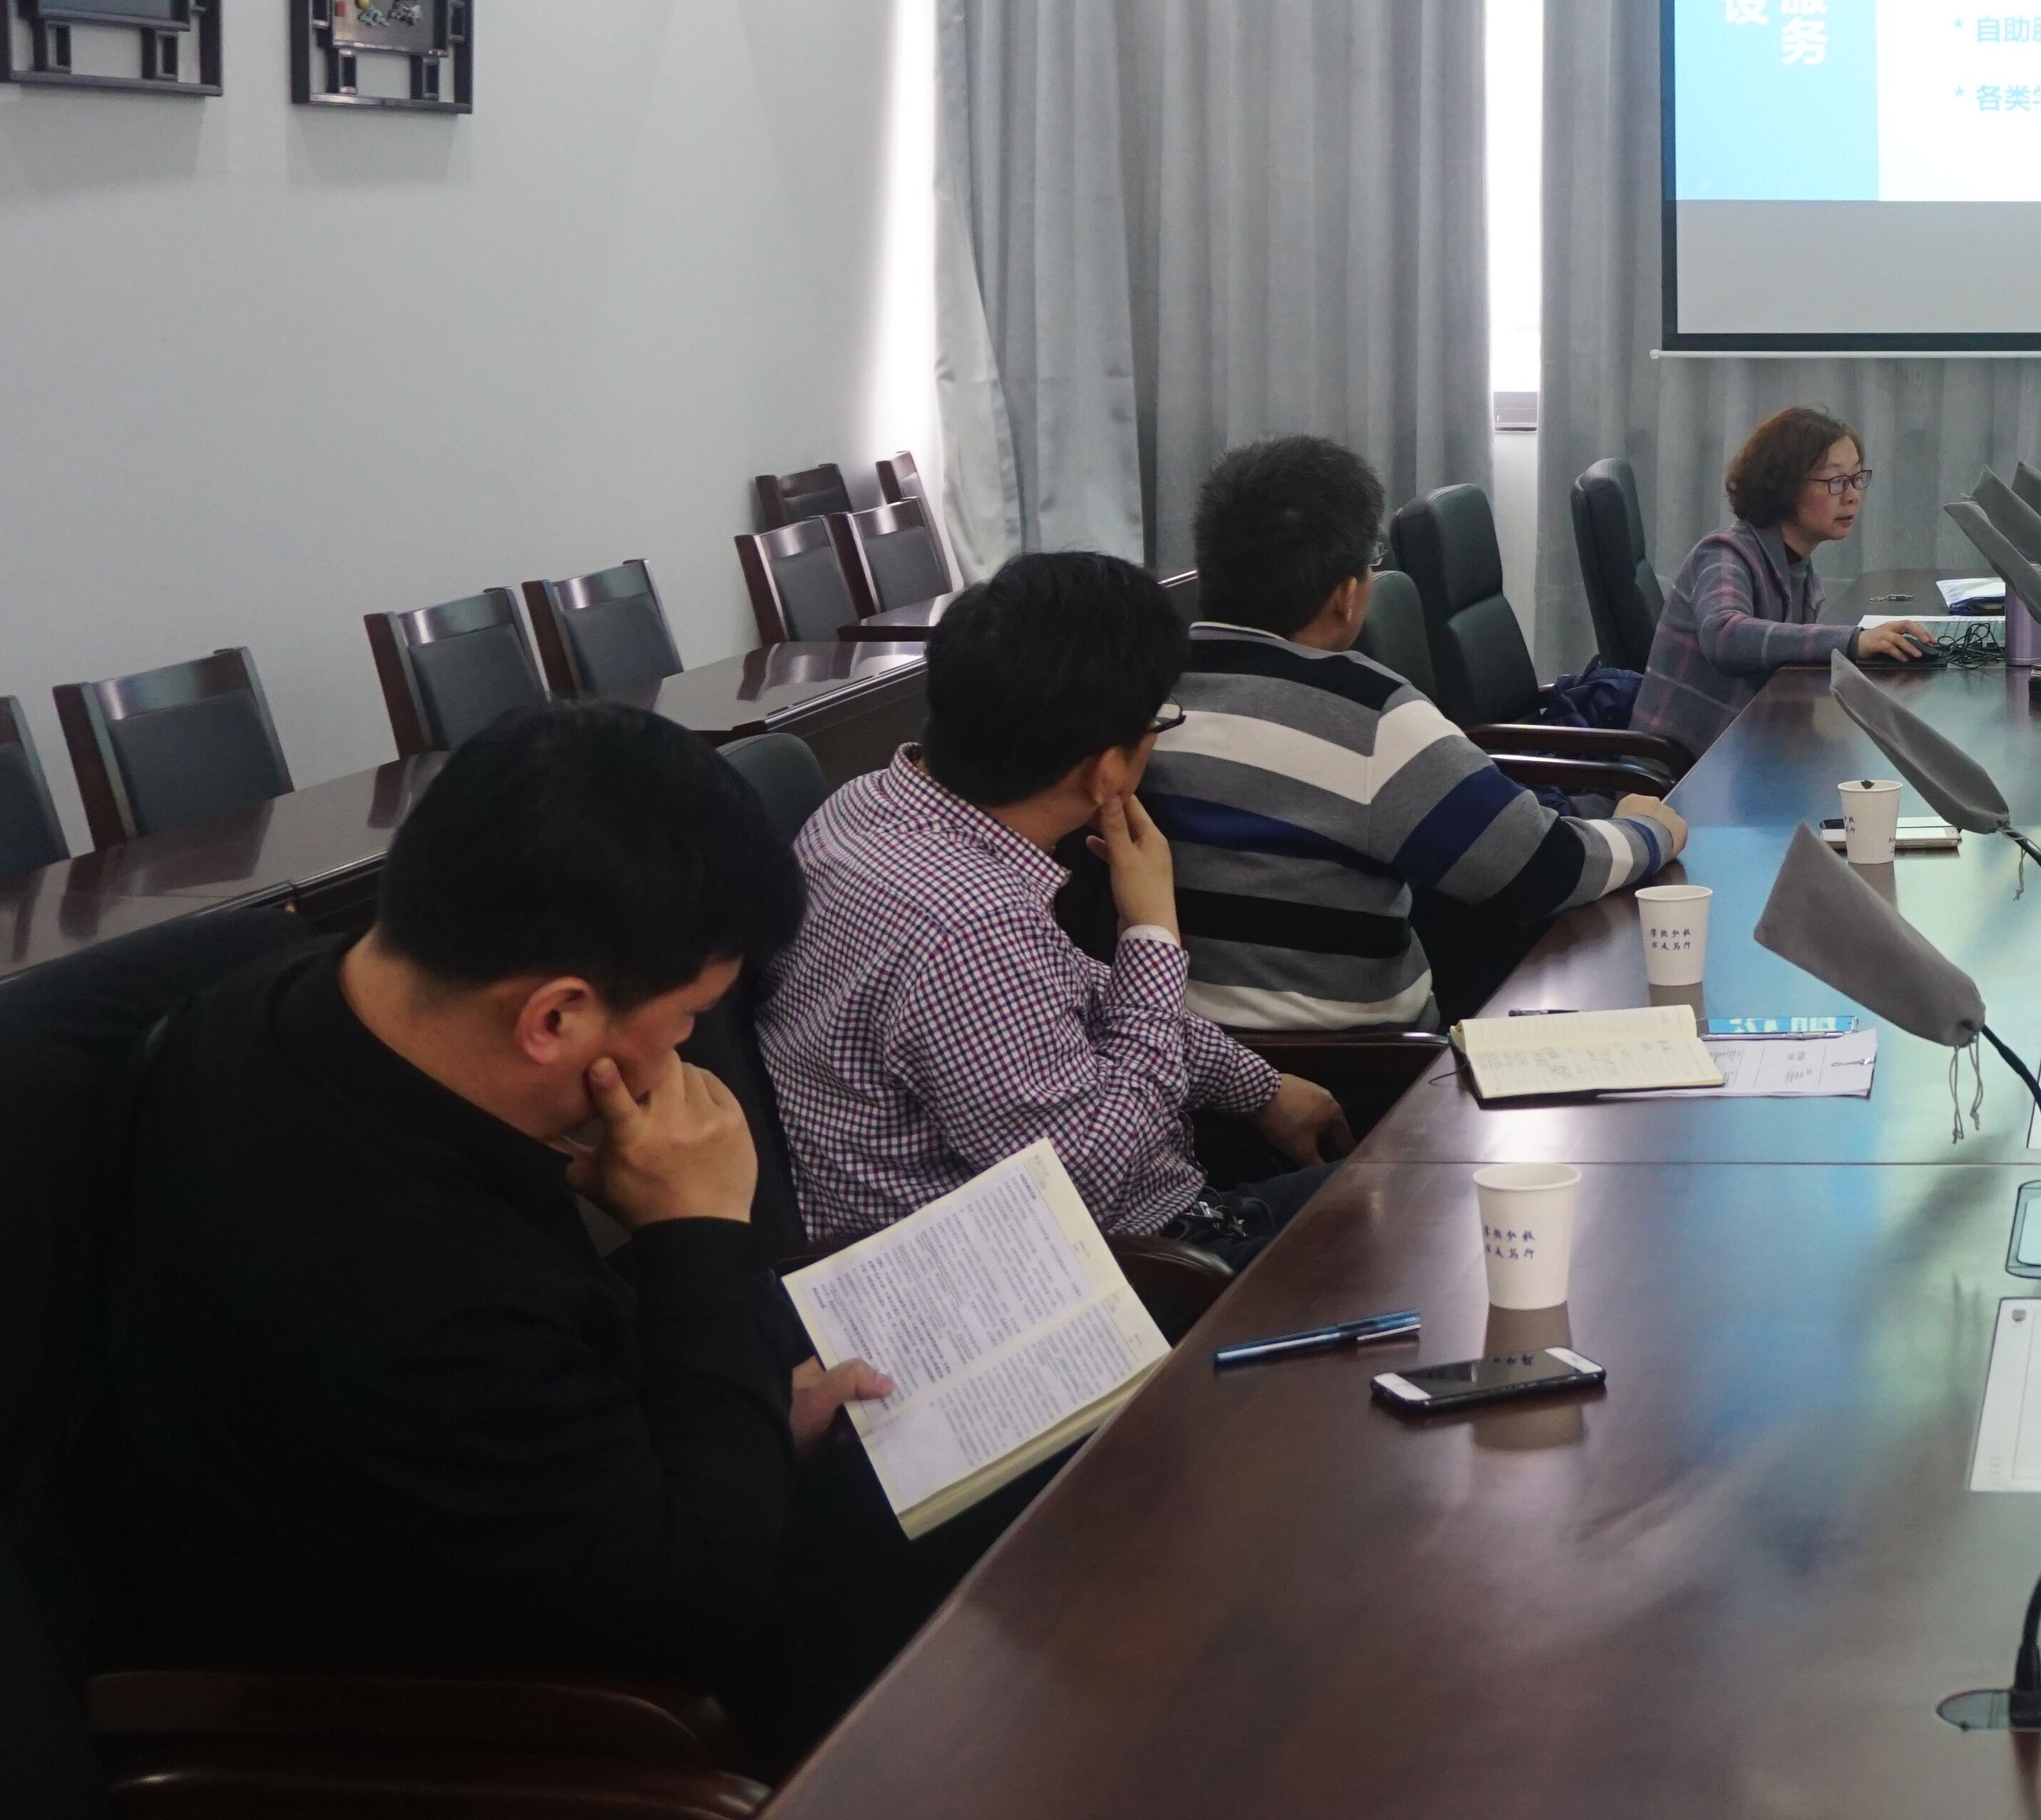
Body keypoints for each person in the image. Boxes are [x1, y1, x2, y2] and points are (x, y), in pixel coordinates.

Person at [93, 703, 952, 1763]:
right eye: (690, 1017)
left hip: (554, 1516)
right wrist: (695, 1229)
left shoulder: (267, 996)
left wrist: (735, 1408)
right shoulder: (402, 1284)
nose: (693, 1049)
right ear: (555, 1019)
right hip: (474, 1721)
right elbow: (698, 1612)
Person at [762, 550, 1349, 1261]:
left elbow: (1072, 994)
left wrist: (1257, 1086)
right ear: (1106, 769)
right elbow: (1088, 1186)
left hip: (1124, 1233)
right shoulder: (972, 924)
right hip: (1104, 1280)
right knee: (1409, 1219)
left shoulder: (864, 804)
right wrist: (1152, 934)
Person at [1154, 434, 1689, 1030]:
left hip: (1178, 1051)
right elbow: (1541, 871)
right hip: (1368, 1060)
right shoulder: (1371, 715)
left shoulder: (1141, 691)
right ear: (1346, 598)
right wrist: (1648, 831)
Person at [1634, 405, 1934, 757]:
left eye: (1857, 478)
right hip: (1680, 768)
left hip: (1742, 751)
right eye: (1836, 481)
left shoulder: (1797, 567)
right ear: (1784, 488)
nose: (1853, 495)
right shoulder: (1724, 552)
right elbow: (1725, 635)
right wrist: (1853, 641)